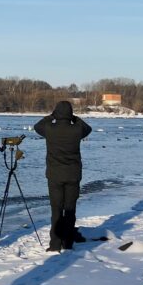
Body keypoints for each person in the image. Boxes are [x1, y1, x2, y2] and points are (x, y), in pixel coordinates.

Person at [34, 101, 92, 251]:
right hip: (73, 175)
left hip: (54, 176)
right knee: (70, 209)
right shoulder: (77, 129)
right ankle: (67, 243)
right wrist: (74, 118)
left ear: (56, 113)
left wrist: (51, 116)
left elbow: (37, 126)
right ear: (70, 114)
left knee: (56, 210)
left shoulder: (49, 129)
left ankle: (54, 244)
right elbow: (88, 128)